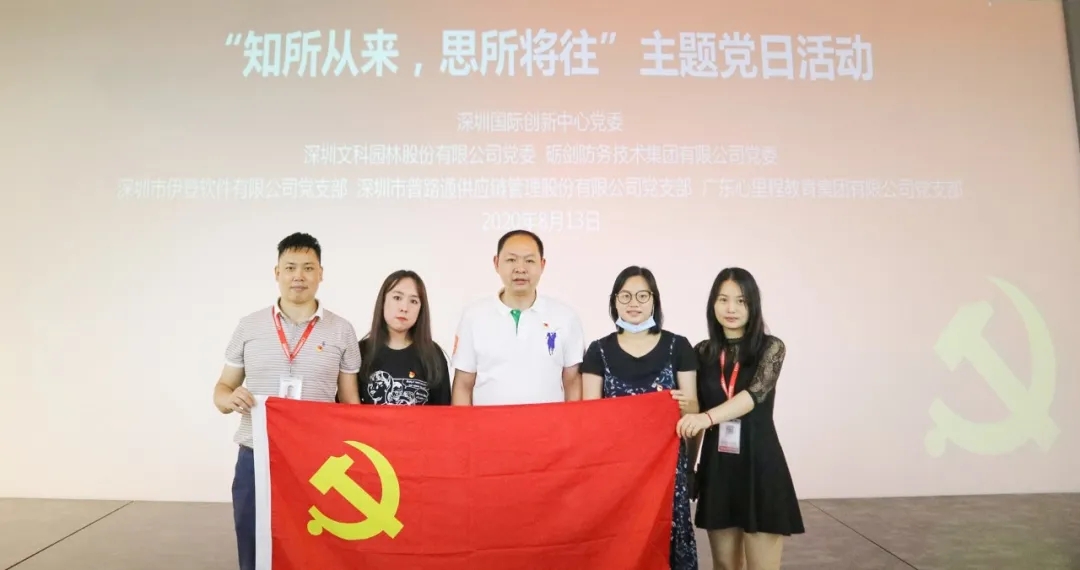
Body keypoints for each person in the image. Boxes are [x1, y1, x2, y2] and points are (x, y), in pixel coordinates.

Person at [211, 232, 361, 570]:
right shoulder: (249, 326)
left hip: (318, 461)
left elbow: (351, 402)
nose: (299, 276)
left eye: (308, 268)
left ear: (321, 273)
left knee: (315, 548)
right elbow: (221, 391)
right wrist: (230, 397)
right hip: (256, 455)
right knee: (253, 543)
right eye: (290, 267)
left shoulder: (342, 330)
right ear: (276, 273)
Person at [675, 267, 804, 570]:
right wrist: (690, 468)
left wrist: (706, 418)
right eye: (723, 299)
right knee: (724, 565)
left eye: (741, 300)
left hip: (760, 464)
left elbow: (751, 397)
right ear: (713, 304)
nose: (731, 308)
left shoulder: (771, 347)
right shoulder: (702, 352)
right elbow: (693, 415)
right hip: (718, 468)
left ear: (753, 305)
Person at [581, 266, 699, 570]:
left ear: (654, 301)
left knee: (666, 537)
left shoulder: (678, 346)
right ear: (615, 301)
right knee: (619, 539)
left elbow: (693, 409)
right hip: (617, 469)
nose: (634, 303)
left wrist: (683, 405)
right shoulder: (598, 351)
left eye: (642, 296)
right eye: (626, 296)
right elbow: (590, 414)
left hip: (667, 469)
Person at [451, 229, 585, 406]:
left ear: (542, 265)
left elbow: (573, 383)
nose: (520, 269)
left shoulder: (565, 317)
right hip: (488, 423)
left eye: (529, 261)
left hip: (549, 424)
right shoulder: (474, 316)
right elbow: (463, 385)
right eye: (511, 260)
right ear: (496, 263)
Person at [357, 270, 451, 406]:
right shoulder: (360, 352)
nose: (404, 308)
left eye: (413, 301)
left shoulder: (433, 354)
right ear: (383, 301)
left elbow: (444, 413)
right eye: (397, 298)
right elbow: (346, 409)